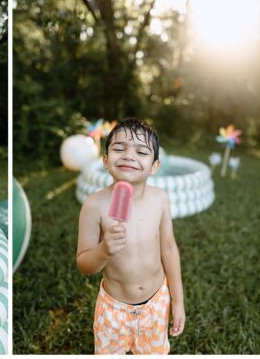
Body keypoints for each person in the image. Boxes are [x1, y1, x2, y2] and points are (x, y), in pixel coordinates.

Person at [77, 117, 186, 354]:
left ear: (154, 166)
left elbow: (168, 248)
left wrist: (177, 300)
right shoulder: (94, 206)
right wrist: (104, 250)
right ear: (105, 161)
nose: (128, 155)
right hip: (113, 309)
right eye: (119, 149)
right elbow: (84, 264)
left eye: (141, 151)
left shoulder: (160, 199)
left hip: (156, 304)